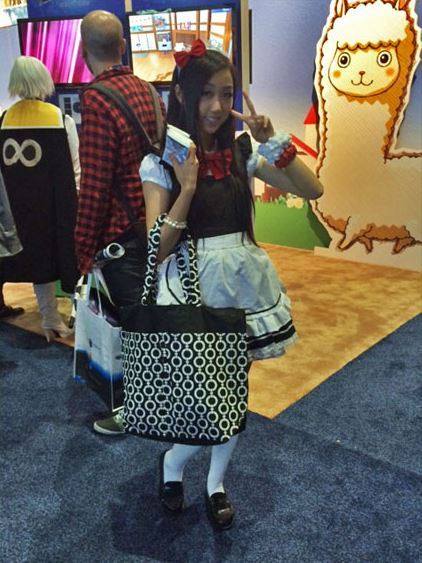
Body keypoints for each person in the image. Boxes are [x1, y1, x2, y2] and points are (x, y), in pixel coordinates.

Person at [139, 40, 323, 530]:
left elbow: (313, 189)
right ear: (183, 94)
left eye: (226, 94)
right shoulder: (161, 160)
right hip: (190, 288)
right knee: (199, 397)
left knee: (233, 395)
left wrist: (273, 140)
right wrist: (188, 186)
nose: (218, 106)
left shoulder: (244, 151)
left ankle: (215, 484)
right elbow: (157, 248)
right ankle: (173, 464)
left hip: (243, 285)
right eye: (206, 94)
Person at [75, 10, 166, 435]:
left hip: (122, 237)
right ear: (123, 46)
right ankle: (160, 397)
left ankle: (140, 410)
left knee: (134, 327)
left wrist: (82, 251)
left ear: (82, 50)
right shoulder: (149, 90)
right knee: (154, 316)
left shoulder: (96, 99)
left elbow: (94, 184)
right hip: (157, 225)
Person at [0, 56, 80, 342]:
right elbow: (75, 168)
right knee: (70, 258)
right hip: (58, 206)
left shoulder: (4, 120)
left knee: (38, 262)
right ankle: (79, 317)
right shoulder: (60, 119)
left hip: (20, 209)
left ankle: (49, 318)